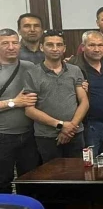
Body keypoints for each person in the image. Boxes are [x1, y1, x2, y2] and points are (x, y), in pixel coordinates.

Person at [24, 30, 89, 162]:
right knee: (52, 173)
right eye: (50, 45)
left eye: (59, 45)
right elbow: (29, 110)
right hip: (47, 136)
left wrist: (70, 127)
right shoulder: (32, 73)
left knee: (77, 172)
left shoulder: (75, 70)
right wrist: (61, 125)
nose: (55, 49)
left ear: (64, 48)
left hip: (75, 133)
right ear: (41, 47)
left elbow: (84, 102)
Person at [68, 31, 103, 158]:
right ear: (83, 47)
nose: (97, 49)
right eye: (92, 45)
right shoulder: (73, 65)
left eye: (100, 45)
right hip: (89, 125)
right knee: (90, 162)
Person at [0, 28, 38, 192]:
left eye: (14, 42)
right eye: (5, 43)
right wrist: (14, 102)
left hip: (29, 134)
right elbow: (18, 101)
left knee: (30, 180)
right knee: (3, 181)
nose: (11, 47)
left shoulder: (29, 67)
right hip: (3, 135)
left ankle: (26, 208)